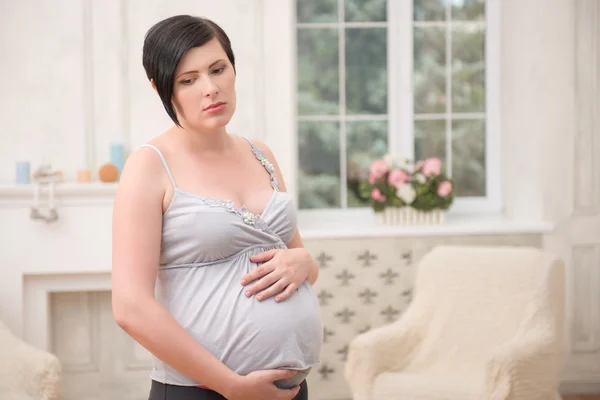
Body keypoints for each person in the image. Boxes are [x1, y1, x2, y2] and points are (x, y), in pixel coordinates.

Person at [111, 14, 323, 400]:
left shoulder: (262, 155)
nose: (210, 88)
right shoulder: (149, 166)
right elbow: (130, 307)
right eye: (188, 80)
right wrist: (231, 386)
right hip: (203, 392)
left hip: (289, 391)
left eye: (218, 69)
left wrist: (306, 263)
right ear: (162, 89)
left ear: (233, 69)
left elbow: (301, 262)